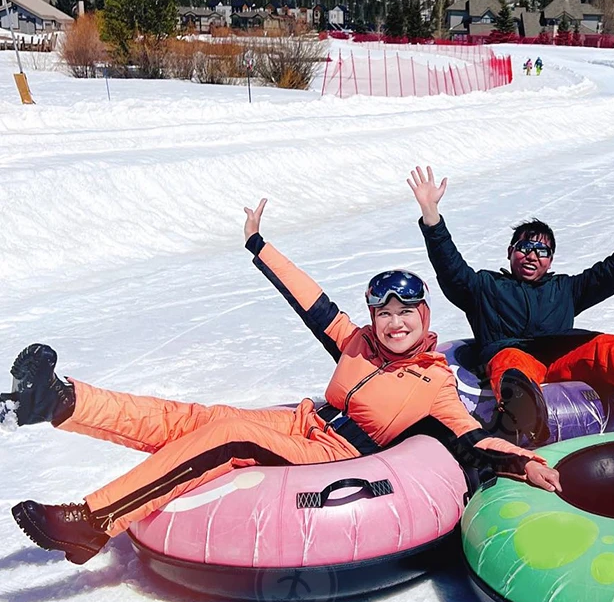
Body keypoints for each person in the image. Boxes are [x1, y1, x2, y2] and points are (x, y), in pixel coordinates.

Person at [3, 199, 560, 565]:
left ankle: (93, 521)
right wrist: (259, 245)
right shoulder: (357, 342)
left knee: (227, 441)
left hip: (339, 455)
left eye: (407, 312)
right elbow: (310, 299)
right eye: (384, 312)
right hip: (306, 421)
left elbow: (470, 436)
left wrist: (525, 460)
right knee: (199, 419)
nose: (395, 322)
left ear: (424, 318)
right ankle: (59, 400)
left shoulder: (434, 382)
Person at [407, 166, 614, 446]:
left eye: (542, 250)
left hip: (562, 361)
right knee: (510, 359)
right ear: (510, 252)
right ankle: (523, 416)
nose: (532, 255)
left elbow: (610, 274)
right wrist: (431, 215)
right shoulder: (484, 287)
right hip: (514, 359)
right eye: (524, 247)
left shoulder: (565, 289)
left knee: (604, 345)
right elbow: (449, 268)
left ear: (551, 260)